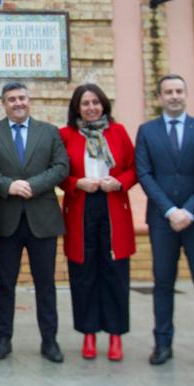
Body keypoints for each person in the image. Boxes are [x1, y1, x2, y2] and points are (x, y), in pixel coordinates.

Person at [0, 80, 71, 362]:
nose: (18, 103)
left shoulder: (49, 132)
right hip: (6, 221)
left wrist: (30, 185)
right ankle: (3, 339)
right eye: (11, 99)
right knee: (5, 283)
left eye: (22, 98)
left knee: (46, 284)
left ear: (29, 101)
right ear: (3, 104)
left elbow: (61, 166)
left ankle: (50, 341)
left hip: (42, 219)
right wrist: (8, 186)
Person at [134, 73, 194, 370]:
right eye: (168, 91)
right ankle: (162, 344)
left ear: (186, 95)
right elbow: (144, 174)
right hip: (162, 221)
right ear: (159, 97)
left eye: (179, 91)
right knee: (162, 283)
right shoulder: (147, 132)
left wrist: (190, 211)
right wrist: (171, 211)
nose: (174, 96)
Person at [57, 83, 136, 362]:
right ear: (76, 108)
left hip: (113, 205)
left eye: (95, 102)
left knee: (115, 273)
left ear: (104, 105)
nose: (91, 108)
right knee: (84, 273)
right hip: (81, 206)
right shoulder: (65, 135)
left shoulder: (118, 132)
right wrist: (76, 183)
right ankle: (88, 334)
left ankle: (115, 336)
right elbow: (57, 172)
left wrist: (119, 183)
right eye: (85, 103)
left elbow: (134, 168)